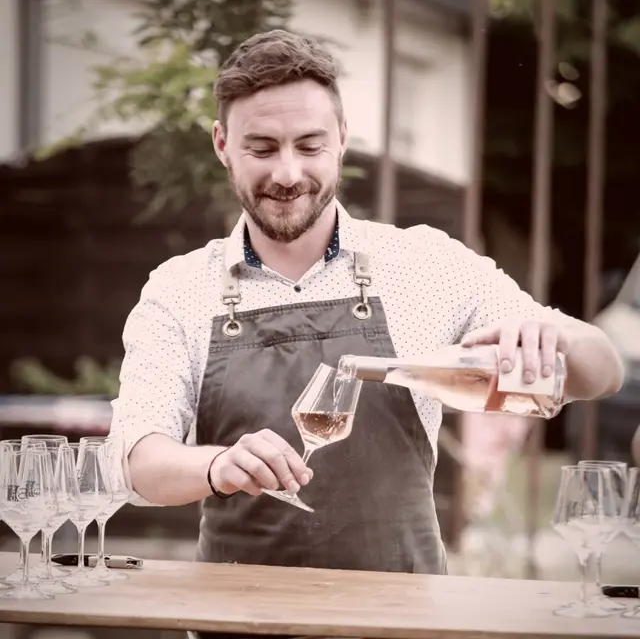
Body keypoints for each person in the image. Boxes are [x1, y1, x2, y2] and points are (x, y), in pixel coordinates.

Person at [111, 29, 624, 583]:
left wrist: (555, 337)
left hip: (403, 618)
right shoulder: (179, 288)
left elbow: (603, 373)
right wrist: (215, 464)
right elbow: (138, 462)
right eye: (261, 148)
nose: (288, 174)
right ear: (221, 144)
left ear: (342, 140)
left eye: (310, 146)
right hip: (237, 618)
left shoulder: (426, 263)